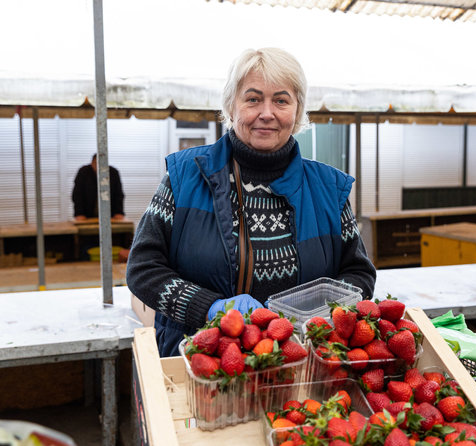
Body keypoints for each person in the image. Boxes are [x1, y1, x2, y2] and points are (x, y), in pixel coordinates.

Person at [126, 48, 376, 357]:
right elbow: (142, 269)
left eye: (281, 100)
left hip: (302, 363)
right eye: (253, 99)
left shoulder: (329, 188)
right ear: (231, 106)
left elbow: (359, 276)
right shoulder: (185, 177)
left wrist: (320, 318)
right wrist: (210, 308)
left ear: (297, 112)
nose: (267, 113)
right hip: (199, 362)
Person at [72, 154, 125, 221]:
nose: (99, 167)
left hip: (109, 213)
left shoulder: (113, 173)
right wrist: (79, 213)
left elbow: (118, 194)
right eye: (96, 164)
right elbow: (77, 195)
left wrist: (119, 212)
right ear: (92, 163)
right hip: (86, 213)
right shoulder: (83, 172)